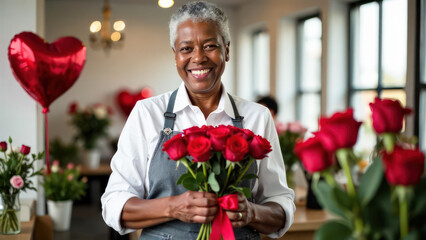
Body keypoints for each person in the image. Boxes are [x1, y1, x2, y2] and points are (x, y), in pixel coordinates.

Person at [101, 1, 295, 239]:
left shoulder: (257, 116)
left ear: (227, 49)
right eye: (186, 49)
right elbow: (113, 204)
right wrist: (173, 206)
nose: (199, 58)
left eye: (210, 46)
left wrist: (252, 212)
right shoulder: (147, 113)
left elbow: (281, 205)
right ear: (175, 55)